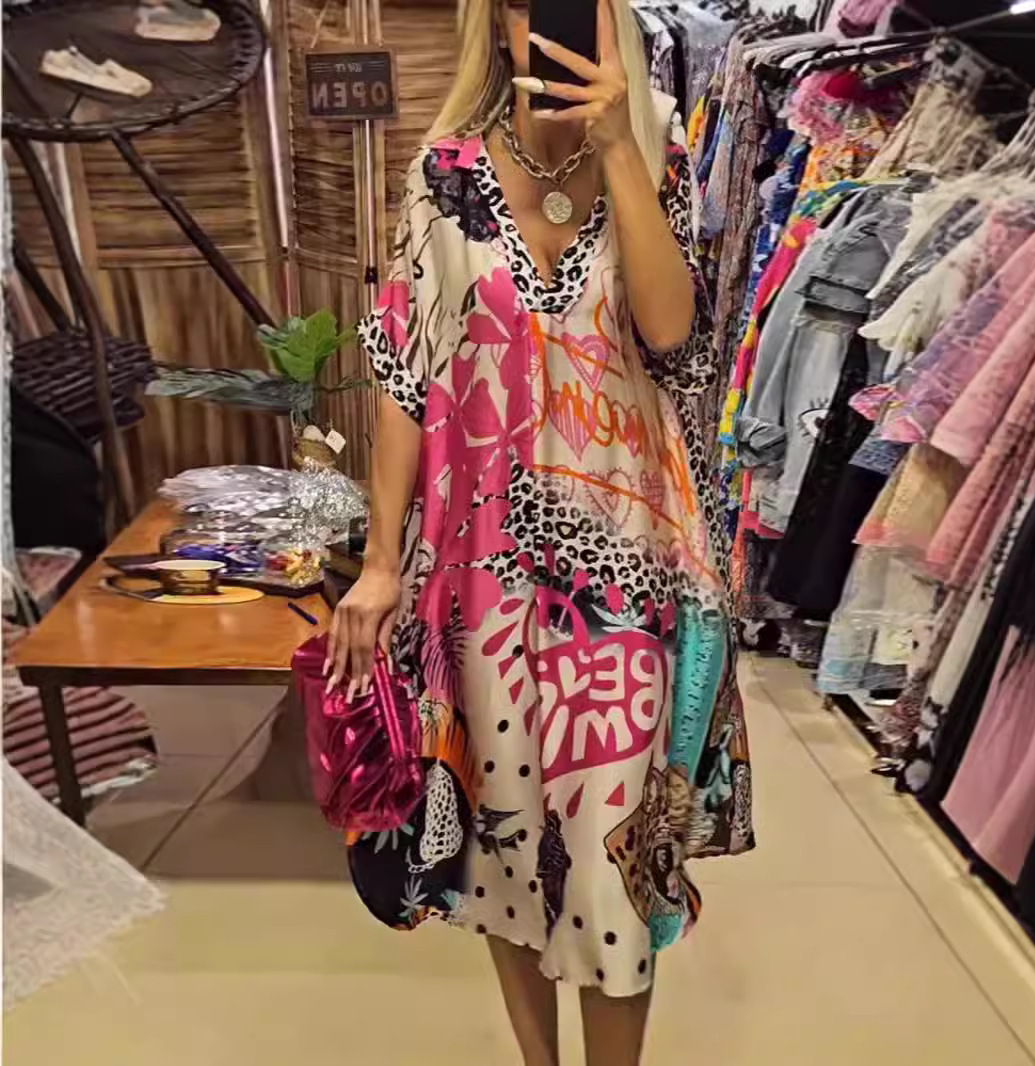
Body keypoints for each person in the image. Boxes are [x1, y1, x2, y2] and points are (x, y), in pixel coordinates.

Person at [326, 0, 755, 1061]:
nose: (549, 24)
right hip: (476, 575)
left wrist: (620, 148)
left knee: (613, 866)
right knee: (502, 847)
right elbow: (404, 375)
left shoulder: (657, 154)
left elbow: (671, 333)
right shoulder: (443, 176)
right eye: (524, 3)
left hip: (629, 579)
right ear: (497, 24)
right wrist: (378, 564)